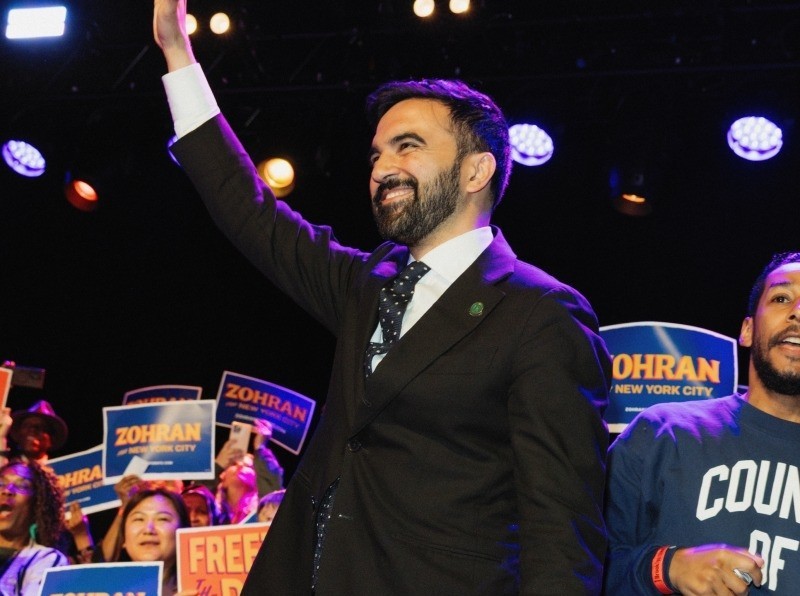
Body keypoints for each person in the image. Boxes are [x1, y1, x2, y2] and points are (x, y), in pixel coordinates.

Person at [153, 1, 612, 593]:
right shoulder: (367, 283)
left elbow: (562, 529)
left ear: (476, 171)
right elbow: (250, 211)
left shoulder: (541, 315)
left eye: (407, 146)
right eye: (376, 154)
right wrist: (176, 53)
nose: (380, 168)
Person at [603, 251, 800, 595]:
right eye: (782, 298)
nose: (798, 311)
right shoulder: (662, 433)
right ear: (747, 330)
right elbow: (578, 564)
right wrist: (668, 567)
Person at [0, 459, 68, 595]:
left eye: (22, 486)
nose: (7, 490)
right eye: (1, 484)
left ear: (37, 506)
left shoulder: (46, 559)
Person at [117, 486, 190, 595]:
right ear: (124, 538)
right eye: (139, 519)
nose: (148, 530)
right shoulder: (101, 588)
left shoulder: (201, 588)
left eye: (162, 519)